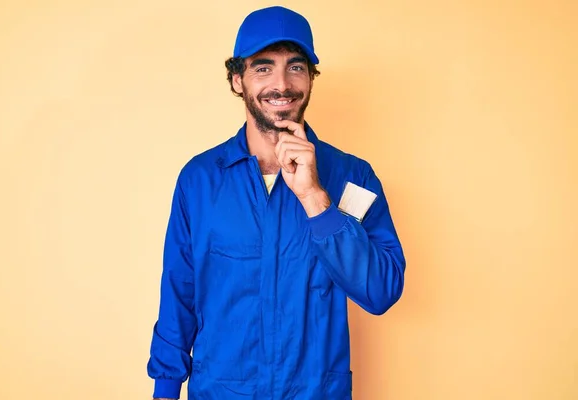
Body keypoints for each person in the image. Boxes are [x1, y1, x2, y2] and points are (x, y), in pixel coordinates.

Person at [146, 6, 406, 400]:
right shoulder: (200, 180)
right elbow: (179, 292)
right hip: (221, 392)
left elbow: (382, 291)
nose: (282, 84)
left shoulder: (354, 177)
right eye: (263, 68)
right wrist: (165, 390)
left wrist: (316, 199)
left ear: (311, 78)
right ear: (238, 79)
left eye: (296, 67)